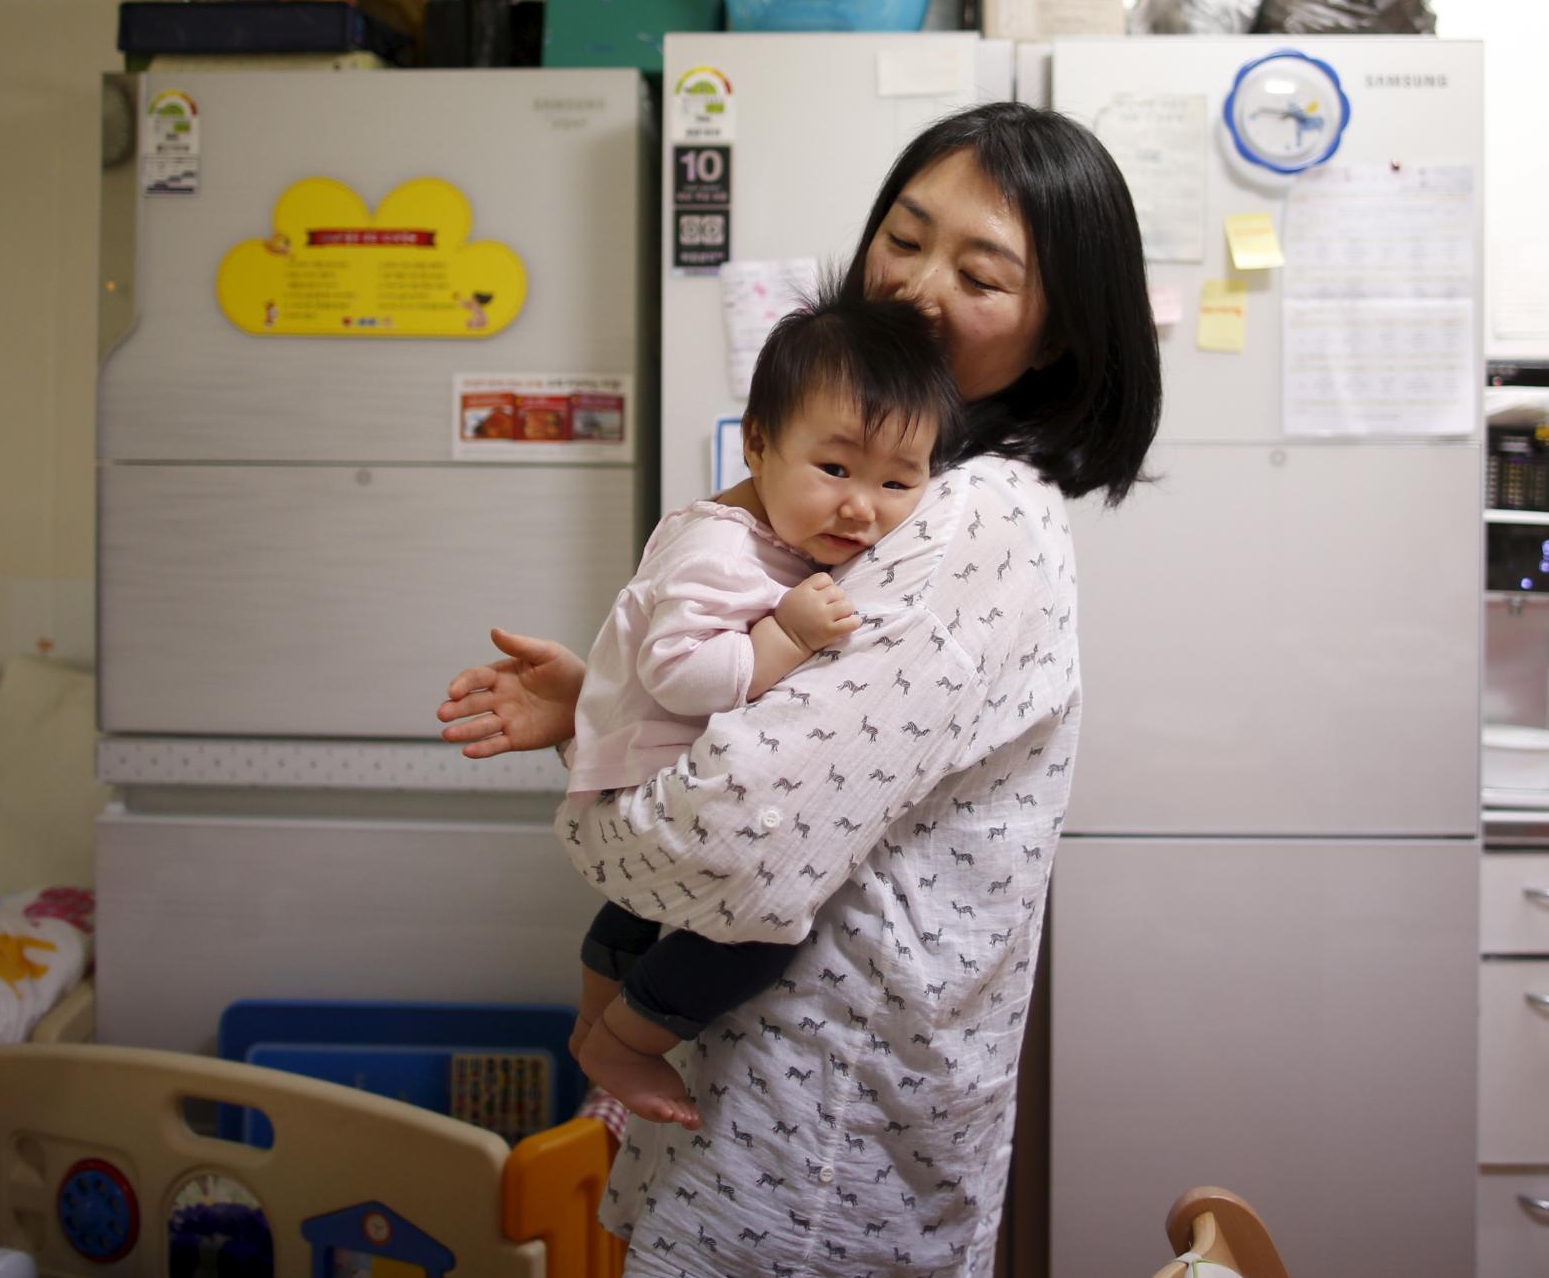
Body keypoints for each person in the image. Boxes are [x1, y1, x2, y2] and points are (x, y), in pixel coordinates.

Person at [441, 102, 1162, 1277]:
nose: (917, 287)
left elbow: (736, 844)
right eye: (904, 234)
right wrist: (605, 709)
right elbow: (801, 744)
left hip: (815, 1149)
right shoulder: (909, 491)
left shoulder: (972, 521)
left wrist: (594, 803)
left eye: (978, 273)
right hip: (779, 1118)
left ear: (1058, 337)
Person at [567, 290, 962, 1130]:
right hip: (646, 785)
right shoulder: (721, 549)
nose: (864, 506)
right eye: (836, 469)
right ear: (757, 442)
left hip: (641, 781)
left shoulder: (768, 536)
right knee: (762, 925)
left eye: (899, 480)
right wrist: (783, 635)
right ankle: (623, 1042)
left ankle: (593, 1017)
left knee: (646, 910)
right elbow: (678, 671)